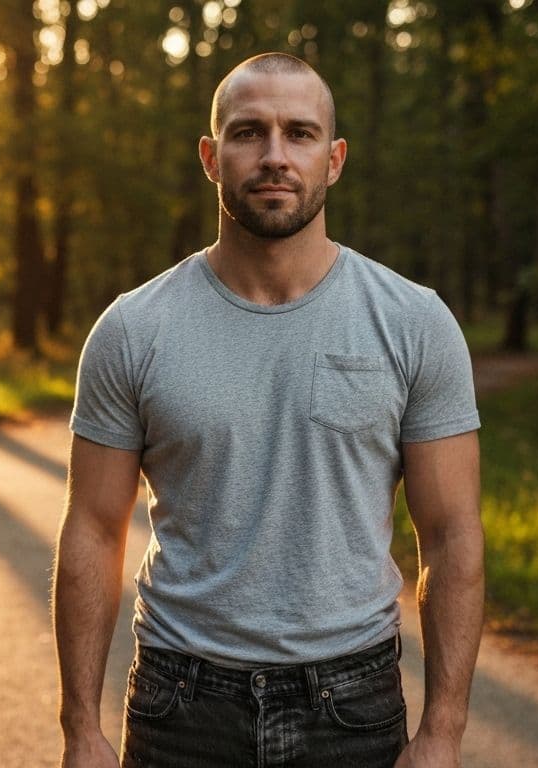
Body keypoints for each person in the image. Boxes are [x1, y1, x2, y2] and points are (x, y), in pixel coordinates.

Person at [52, 52, 484, 768]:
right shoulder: (134, 329)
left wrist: (443, 731)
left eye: (300, 133)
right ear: (211, 157)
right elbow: (94, 530)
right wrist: (79, 727)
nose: (275, 156)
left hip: (352, 706)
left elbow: (451, 535)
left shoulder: (413, 323)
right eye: (249, 132)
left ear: (334, 160)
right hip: (179, 704)